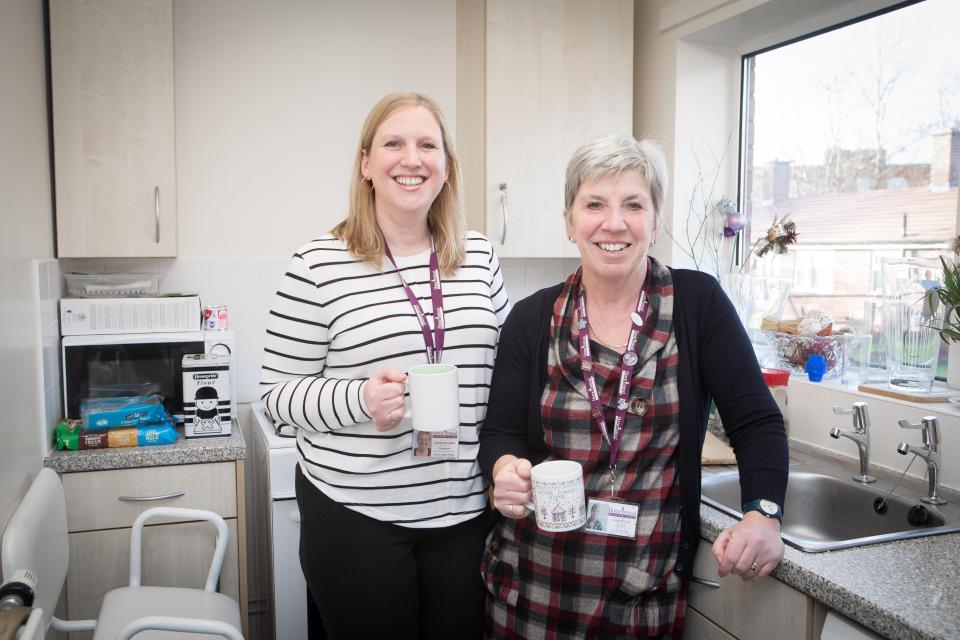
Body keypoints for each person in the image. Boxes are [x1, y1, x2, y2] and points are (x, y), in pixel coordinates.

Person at [478, 134, 788, 638]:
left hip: (641, 602)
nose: (614, 222)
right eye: (594, 204)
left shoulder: (698, 305)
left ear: (655, 218)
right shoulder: (531, 318)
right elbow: (501, 433)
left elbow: (756, 422)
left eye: (633, 205)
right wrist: (503, 470)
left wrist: (763, 515)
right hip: (531, 594)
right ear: (569, 221)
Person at [260, 92, 510, 640]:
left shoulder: (479, 256)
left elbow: (504, 376)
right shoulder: (317, 264)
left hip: (465, 514)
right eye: (393, 144)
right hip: (357, 518)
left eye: (427, 145)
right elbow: (276, 396)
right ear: (366, 164)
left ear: (446, 168)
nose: (411, 159)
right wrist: (359, 399)